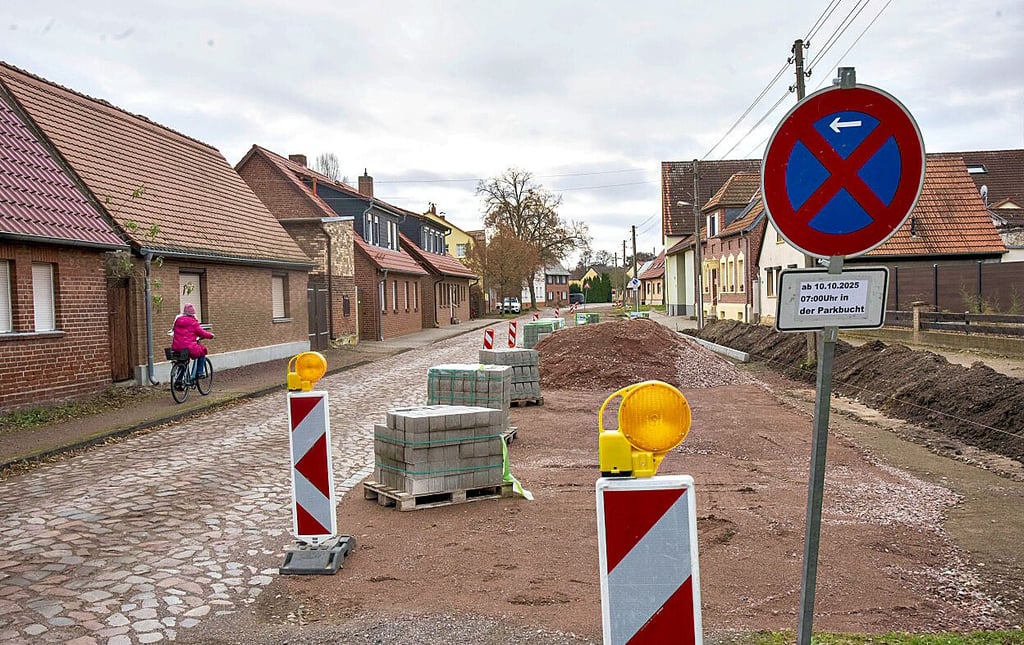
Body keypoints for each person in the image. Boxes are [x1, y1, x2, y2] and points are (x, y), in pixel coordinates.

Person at [171, 303, 214, 376]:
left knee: (184, 361)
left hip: (176, 347)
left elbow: (174, 330)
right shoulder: (193, 322)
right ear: (193, 313)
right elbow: (201, 333)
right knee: (202, 351)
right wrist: (211, 336)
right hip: (189, 347)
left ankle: (179, 381)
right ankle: (200, 372)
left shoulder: (178, 320)